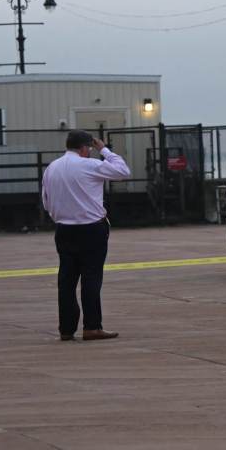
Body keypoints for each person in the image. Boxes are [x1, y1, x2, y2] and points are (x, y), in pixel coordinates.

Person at [41, 130, 132, 341]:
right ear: (84, 148)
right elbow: (123, 171)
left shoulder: (52, 168)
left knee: (66, 280)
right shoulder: (89, 165)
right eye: (90, 149)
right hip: (91, 228)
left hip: (64, 229)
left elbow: (46, 202)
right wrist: (104, 149)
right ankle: (92, 326)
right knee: (91, 278)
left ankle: (66, 328)